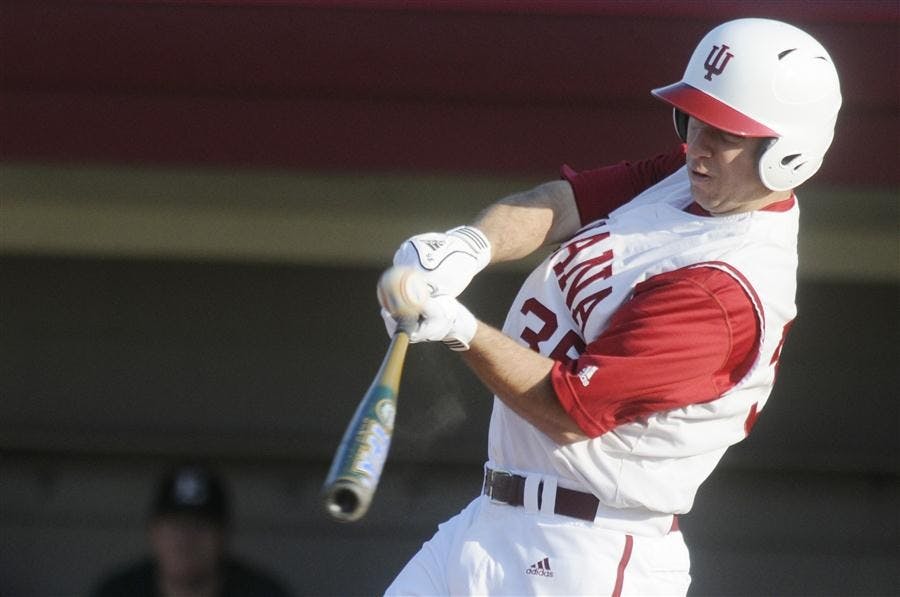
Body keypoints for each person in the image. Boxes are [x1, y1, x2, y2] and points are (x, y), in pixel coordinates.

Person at [378, 18, 841, 596]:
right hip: (490, 519)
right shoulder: (684, 179)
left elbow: (570, 410)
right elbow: (564, 202)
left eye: (725, 134)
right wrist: (470, 246)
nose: (696, 146)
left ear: (789, 154)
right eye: (694, 120)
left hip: (587, 553)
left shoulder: (727, 287)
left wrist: (457, 327)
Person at [91, 464, 292, 597]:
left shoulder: (261, 592)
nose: (185, 539)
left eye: (200, 526)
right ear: (153, 531)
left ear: (223, 534)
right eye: (175, 525)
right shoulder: (118, 592)